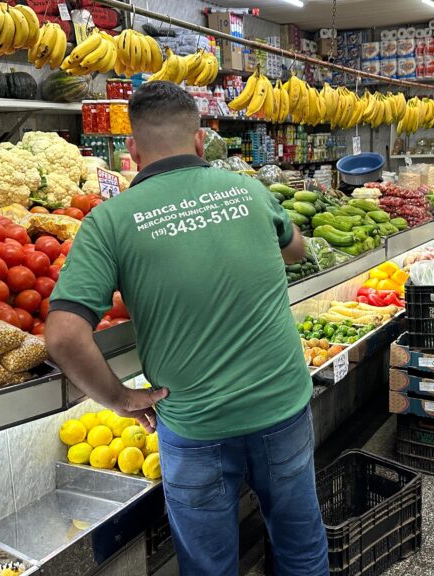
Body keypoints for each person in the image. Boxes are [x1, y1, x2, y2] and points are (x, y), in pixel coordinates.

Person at [45, 81, 329, 574]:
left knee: (208, 563)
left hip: (195, 424)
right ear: (200, 141)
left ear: (131, 150)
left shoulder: (109, 220)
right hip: (281, 403)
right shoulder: (250, 190)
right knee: (300, 542)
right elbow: (297, 250)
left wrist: (120, 399)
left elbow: (64, 335)